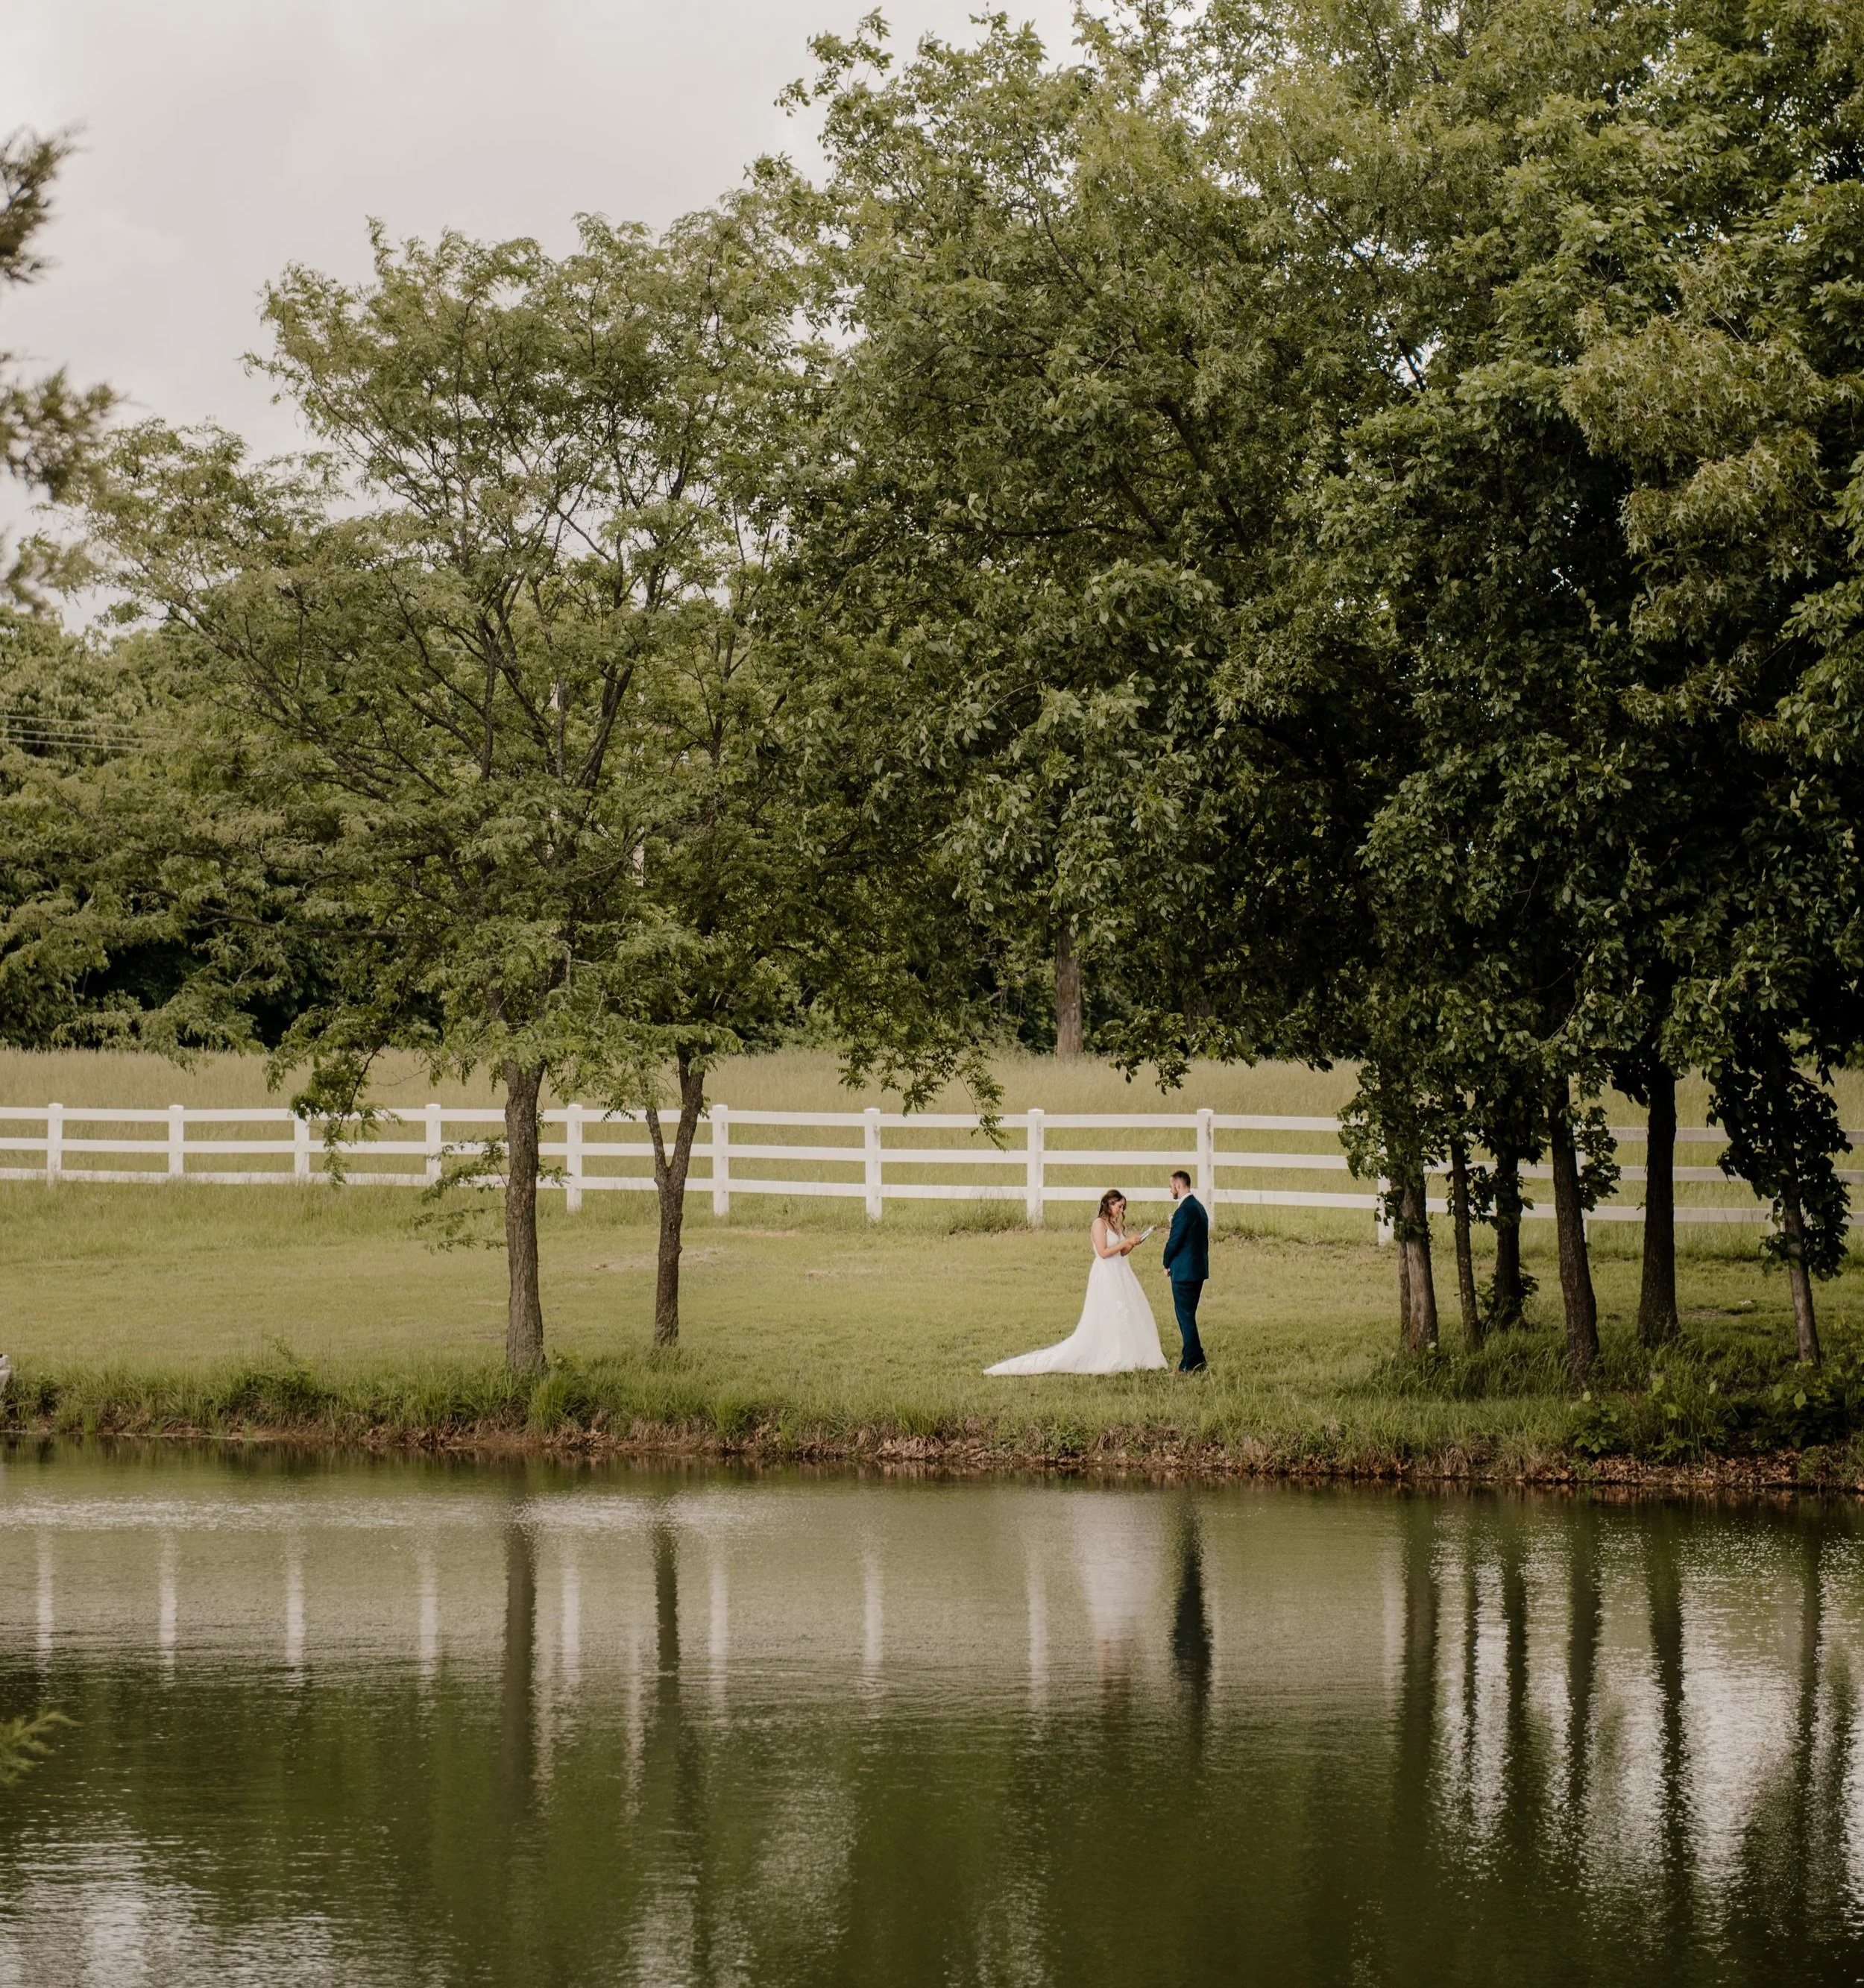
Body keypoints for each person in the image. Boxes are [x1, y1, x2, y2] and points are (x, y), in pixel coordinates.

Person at [984, 1189, 1168, 1375]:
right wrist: (1125, 1242)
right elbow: (1103, 1252)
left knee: (1125, 1310)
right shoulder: (1099, 1224)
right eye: (1119, 1207)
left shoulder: (1115, 1225)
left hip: (1121, 1271)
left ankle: (1127, 1350)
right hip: (1106, 1273)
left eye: (1123, 1207)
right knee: (1109, 1310)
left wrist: (1131, 1244)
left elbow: (1121, 1252)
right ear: (1110, 1204)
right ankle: (1109, 1350)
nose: (1121, 1211)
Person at [1159, 1169, 1210, 1372]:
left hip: (1184, 1271)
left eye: (1171, 1186)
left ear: (1179, 1186)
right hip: (1197, 1269)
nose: (1170, 1189)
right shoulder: (1199, 1208)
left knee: (1185, 1317)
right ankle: (1198, 1359)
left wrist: (1166, 1261)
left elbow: (1175, 1242)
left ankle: (1189, 1364)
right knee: (1188, 1315)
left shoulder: (1184, 1211)